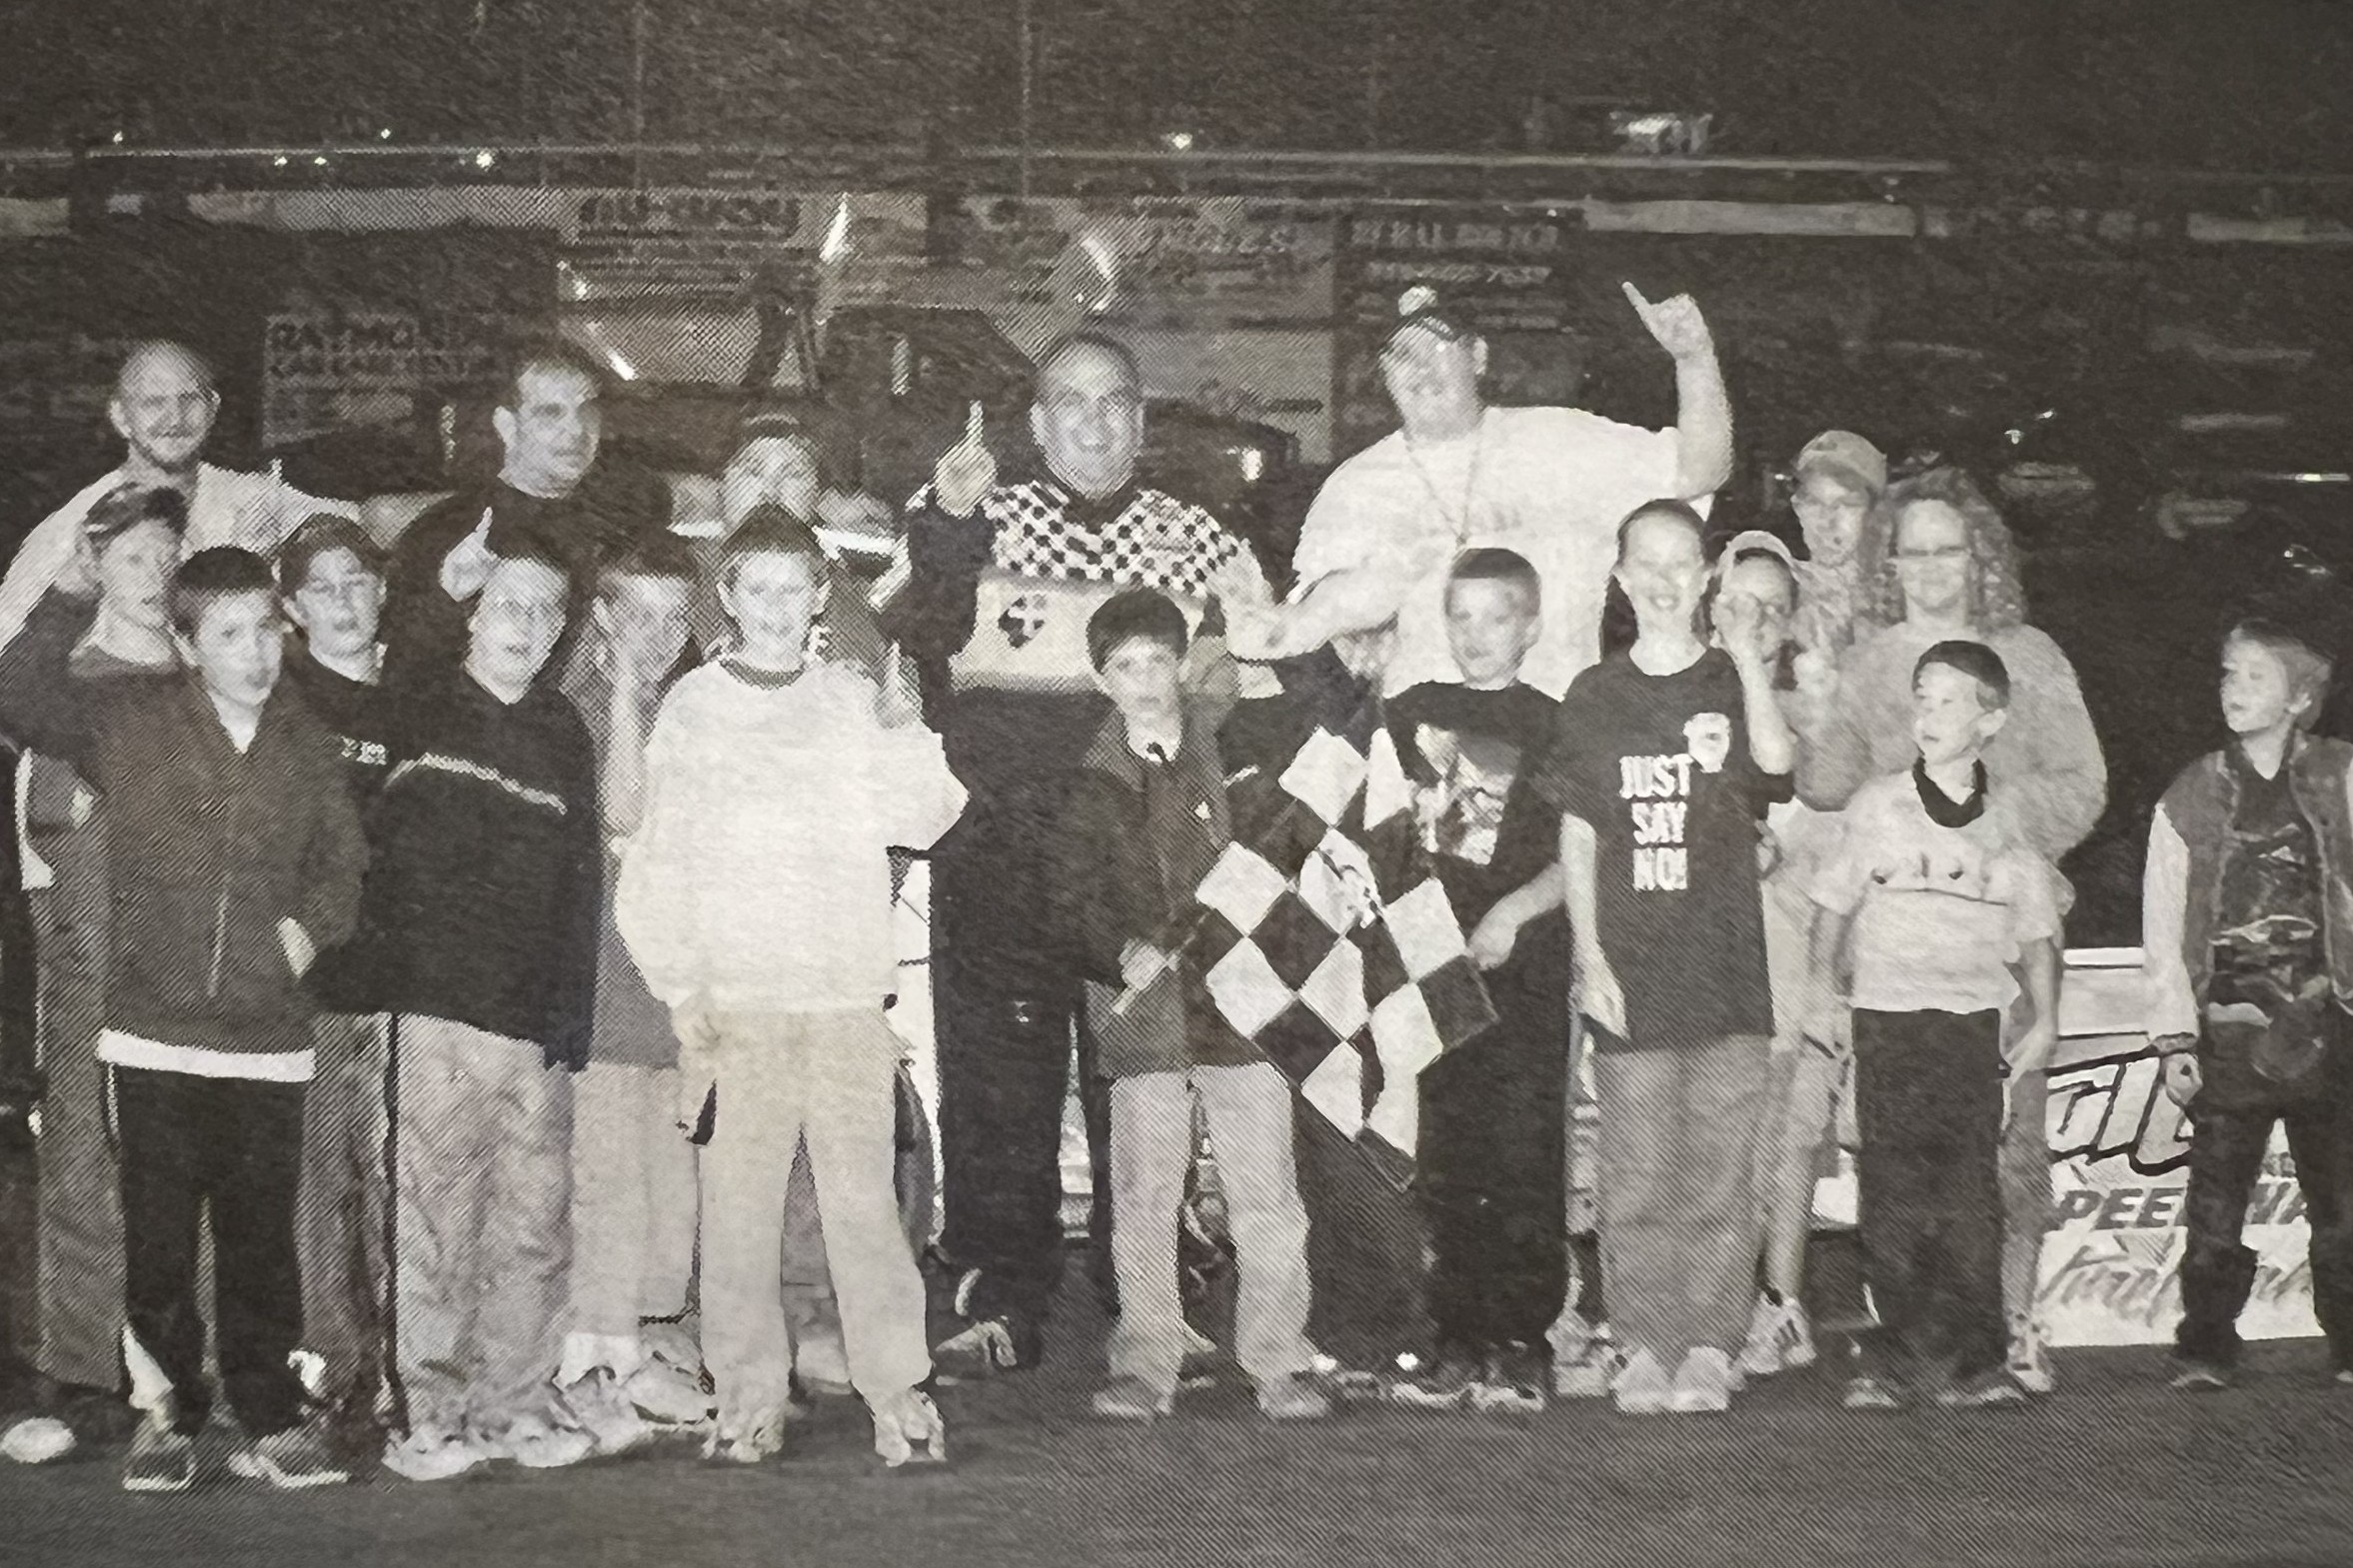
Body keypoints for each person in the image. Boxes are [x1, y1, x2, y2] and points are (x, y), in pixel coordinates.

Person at [881, 333, 1273, 1374]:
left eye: (1113, 402)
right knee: (997, 1085)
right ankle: (1001, 1296)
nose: (1093, 422)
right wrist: (950, 522)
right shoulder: (971, 512)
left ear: (1140, 421)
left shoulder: (1198, 541)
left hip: (1135, 867)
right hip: (997, 853)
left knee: (1138, 1086)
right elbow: (916, 635)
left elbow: (1238, 701)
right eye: (1070, 401)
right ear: (1037, 421)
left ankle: (1146, 1298)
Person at [0, 547, 366, 1490]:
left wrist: (302, 936)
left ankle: (271, 1417)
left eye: (266, 630)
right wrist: (71, 592)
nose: (256, 653)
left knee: (260, 1243)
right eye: (229, 634)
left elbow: (343, 864)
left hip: (269, 1042)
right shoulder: (130, 722)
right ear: (188, 643)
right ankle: (167, 1417)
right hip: (151, 1035)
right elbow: (18, 691)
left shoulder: (308, 740)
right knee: (157, 1242)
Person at [617, 519, 959, 1467]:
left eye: (794, 588)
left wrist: (905, 728)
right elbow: (658, 857)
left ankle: (898, 1390)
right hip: (740, 1005)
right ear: (726, 597)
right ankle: (747, 1395)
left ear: (820, 598)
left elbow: (926, 817)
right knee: (737, 1213)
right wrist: (683, 985)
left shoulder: (851, 697)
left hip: (844, 998)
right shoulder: (693, 705)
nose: (775, 607)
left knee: (864, 1207)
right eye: (756, 589)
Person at [1797, 466, 2106, 1395]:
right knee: (1896, 1167)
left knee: (2005, 1154)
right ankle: (1912, 1347)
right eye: (1913, 550)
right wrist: (1817, 704)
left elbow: (2085, 785)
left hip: (2001, 941)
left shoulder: (2030, 656)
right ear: (1889, 562)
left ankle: (2009, 1329)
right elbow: (1824, 785)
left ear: (1982, 556)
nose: (1931, 566)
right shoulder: (1870, 660)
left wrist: (1990, 825)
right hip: (1896, 955)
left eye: (1948, 548)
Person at [1531, 499, 1793, 1417]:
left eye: (1682, 561)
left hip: (1727, 968)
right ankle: (1643, 1341)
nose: (1664, 579)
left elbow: (1778, 766)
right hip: (1632, 968)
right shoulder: (1593, 695)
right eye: (1645, 562)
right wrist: (1590, 955)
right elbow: (1578, 834)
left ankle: (1713, 1344)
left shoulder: (1730, 676)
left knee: (1720, 1171)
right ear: (1619, 576)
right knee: (1635, 1171)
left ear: (1707, 575)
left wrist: (1748, 661)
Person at [1053, 589, 1326, 1425]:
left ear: (1184, 665)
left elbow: (1295, 834)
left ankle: (1280, 1357)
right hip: (1143, 1012)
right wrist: (1117, 950)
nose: (1143, 681)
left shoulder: (1236, 746)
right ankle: (1146, 1361)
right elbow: (1068, 897)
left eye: (1157, 662)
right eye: (1123, 666)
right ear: (1100, 679)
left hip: (1243, 1004)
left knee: (1267, 1193)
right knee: (1142, 1195)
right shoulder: (1086, 777)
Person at [360, 544, 602, 1482]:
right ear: (470, 612)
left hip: (532, 1022)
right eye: (508, 604)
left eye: (546, 610)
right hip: (434, 1017)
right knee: (432, 1223)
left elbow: (580, 877)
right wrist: (438, 591)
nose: (527, 625)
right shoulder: (417, 702)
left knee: (533, 1224)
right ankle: (430, 1413)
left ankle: (516, 1404)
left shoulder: (562, 727)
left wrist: (569, 1018)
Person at [1233, 281, 1731, 700]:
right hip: (1421, 749)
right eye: (1401, 354)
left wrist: (1694, 359)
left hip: (1556, 735)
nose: (1420, 368)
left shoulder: (1562, 441)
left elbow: (1699, 472)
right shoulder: (1354, 487)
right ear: (1384, 373)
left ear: (1477, 356)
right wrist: (1268, 628)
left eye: (1437, 347)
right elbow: (1321, 621)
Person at [1806, 642, 2062, 1410]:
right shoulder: (1877, 804)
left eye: (1949, 700)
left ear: (1992, 719)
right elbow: (1832, 906)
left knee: (1969, 1194)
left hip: (1971, 1027)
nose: (1929, 714)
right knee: (1890, 1192)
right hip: (1887, 1021)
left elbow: (2038, 932)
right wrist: (1821, 992)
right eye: (1921, 697)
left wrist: (2047, 1018)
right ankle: (1891, 1361)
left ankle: (1975, 1362)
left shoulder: (2011, 819)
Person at [0, 487, 187, 1462]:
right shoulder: (65, 680)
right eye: (131, 558)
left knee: (183, 1166)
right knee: (80, 1157)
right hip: (84, 955)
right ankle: (81, 1375)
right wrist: (66, 595)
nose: (152, 576)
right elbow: (11, 692)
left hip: (191, 963)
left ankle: (185, 1371)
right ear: (97, 567)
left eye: (165, 557)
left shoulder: (213, 674)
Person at [1378, 549, 1571, 1417]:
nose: (1477, 634)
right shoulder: (1415, 711)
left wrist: (1514, 913)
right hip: (1433, 967)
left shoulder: (1553, 722)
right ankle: (1457, 1335)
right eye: (1461, 615)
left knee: (1523, 1151)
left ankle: (1523, 1340)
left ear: (1531, 627)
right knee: (1449, 1155)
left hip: (1522, 965)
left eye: (1497, 617)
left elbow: (1582, 851)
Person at [2146, 621, 2353, 1390]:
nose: (2233, 687)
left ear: (2300, 696)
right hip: (2228, 1032)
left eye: (2255, 676)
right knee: (2214, 1200)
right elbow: (2162, 920)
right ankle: (2205, 1345)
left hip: (2331, 1026)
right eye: (2228, 672)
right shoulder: (2193, 790)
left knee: (2343, 1201)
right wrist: (2174, 1036)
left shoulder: (2342, 775)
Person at [553, 536, 708, 1451]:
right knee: (605, 1188)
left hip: (670, 1000)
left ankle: (644, 1349)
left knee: (668, 1191)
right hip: (601, 995)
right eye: (636, 615)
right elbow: (622, 811)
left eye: (674, 618)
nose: (656, 636)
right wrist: (617, 693)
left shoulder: (686, 714)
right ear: (602, 617)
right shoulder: (572, 709)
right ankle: (591, 1368)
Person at [1708, 533, 1845, 1380]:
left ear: (1793, 620)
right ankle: (1706, 1315)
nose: (1755, 620)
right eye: (1740, 601)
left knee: (1789, 1137)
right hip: (1702, 967)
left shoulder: (1817, 715)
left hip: (1793, 965)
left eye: (1773, 606)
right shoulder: (1678, 698)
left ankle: (1782, 1304)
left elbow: (1840, 850)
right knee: (1712, 1141)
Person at [274, 517, 398, 1455]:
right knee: (316, 1192)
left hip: (403, 989)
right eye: (322, 585)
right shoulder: (275, 700)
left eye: (358, 579)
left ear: (383, 590)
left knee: (401, 1186)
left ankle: (403, 1375)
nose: (344, 600)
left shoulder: (420, 696)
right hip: (308, 991)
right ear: (291, 606)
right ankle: (324, 1380)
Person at [0, 341, 354, 658]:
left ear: (213, 407)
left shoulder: (253, 497)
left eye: (189, 399)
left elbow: (367, 523)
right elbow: (9, 662)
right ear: (121, 417)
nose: (175, 418)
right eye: (154, 402)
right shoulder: (73, 528)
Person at [380, 340, 658, 696]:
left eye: (586, 411)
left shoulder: (621, 528)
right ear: (507, 426)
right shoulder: (446, 534)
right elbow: (400, 672)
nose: (576, 430)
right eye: (550, 413)